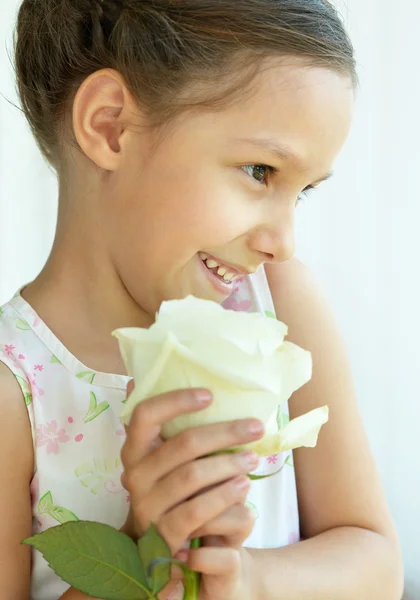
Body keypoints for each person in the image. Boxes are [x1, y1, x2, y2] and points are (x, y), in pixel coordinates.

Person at [0, 0, 404, 599]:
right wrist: (147, 548)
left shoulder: (280, 307)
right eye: (261, 171)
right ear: (111, 126)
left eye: (305, 192)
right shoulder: (15, 388)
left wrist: (248, 581)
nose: (283, 242)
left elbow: (375, 561)